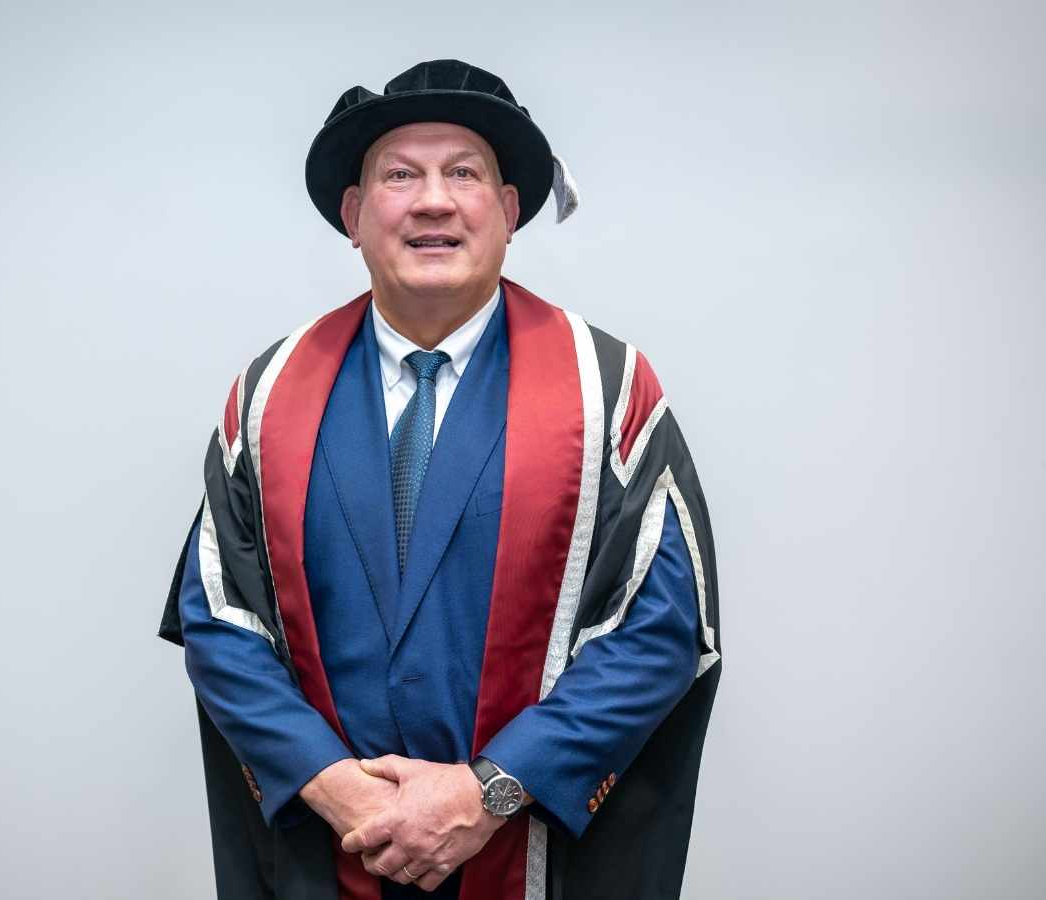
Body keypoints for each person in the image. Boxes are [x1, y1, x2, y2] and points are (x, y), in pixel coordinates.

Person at [158, 58, 723, 900]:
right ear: (354, 215)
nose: (432, 201)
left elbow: (660, 629)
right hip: (331, 845)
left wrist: (489, 790)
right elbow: (219, 618)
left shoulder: (609, 391)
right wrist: (330, 784)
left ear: (508, 210)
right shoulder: (270, 394)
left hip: (528, 851)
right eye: (399, 175)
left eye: (463, 173)